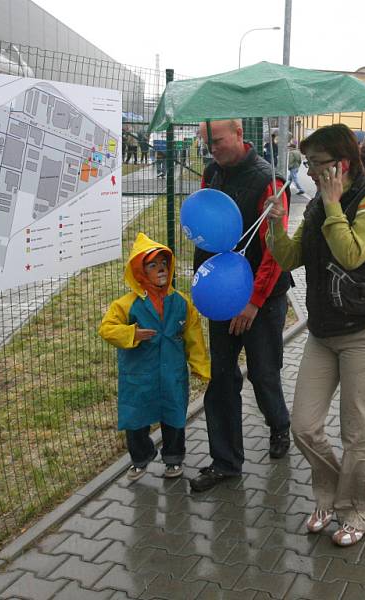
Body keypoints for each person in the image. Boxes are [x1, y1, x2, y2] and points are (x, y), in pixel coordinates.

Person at [264, 123, 365, 547]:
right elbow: (290, 257)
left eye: (317, 164)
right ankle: (333, 494)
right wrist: (274, 226)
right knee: (304, 426)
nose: (310, 170)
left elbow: (353, 253)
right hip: (323, 331)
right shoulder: (319, 207)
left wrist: (333, 203)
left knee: (357, 433)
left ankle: (360, 510)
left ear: (340, 164)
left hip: (364, 329)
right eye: (308, 163)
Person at [189, 119, 292, 493]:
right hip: (222, 294)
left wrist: (252, 302)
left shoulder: (270, 180)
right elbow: (206, 231)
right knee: (221, 378)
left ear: (238, 134)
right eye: (207, 143)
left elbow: (275, 250)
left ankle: (279, 425)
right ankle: (225, 461)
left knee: (264, 374)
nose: (212, 149)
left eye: (216, 142)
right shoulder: (212, 173)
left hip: (260, 299)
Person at [99, 233, 210, 481]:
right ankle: (140, 457)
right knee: (135, 417)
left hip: (172, 371)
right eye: (153, 265)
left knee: (174, 414)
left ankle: (173, 458)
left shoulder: (181, 302)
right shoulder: (126, 305)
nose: (161, 270)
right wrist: (132, 333)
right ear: (140, 271)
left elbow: (194, 334)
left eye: (164, 264)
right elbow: (106, 329)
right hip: (139, 374)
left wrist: (201, 365)